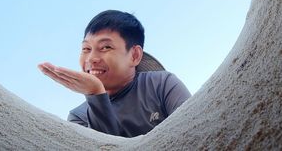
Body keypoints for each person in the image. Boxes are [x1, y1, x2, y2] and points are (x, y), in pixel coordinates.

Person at [38, 10, 191, 137]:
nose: (91, 58)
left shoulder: (162, 84)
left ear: (135, 55)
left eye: (105, 47)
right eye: (86, 49)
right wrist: (95, 94)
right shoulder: (78, 117)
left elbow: (192, 128)